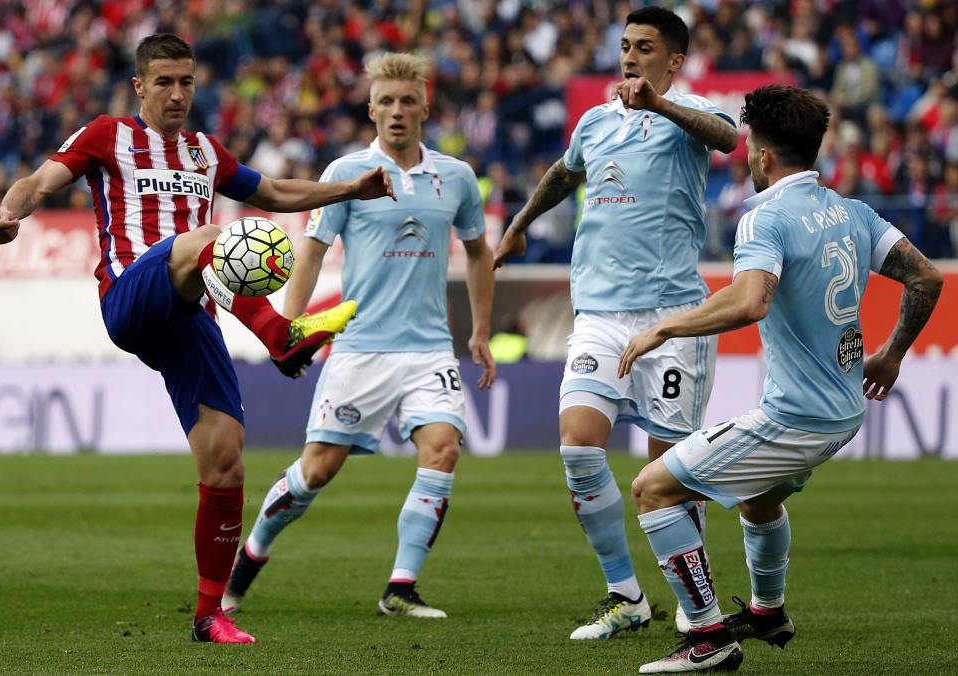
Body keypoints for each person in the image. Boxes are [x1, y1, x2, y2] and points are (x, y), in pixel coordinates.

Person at [0, 33, 395, 644]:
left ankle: (210, 615)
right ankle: (279, 335)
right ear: (140, 87)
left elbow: (278, 194)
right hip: (131, 295)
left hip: (190, 315)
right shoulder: (108, 135)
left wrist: (350, 189)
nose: (177, 94)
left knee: (226, 461)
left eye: (187, 82)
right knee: (209, 239)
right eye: (164, 82)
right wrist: (9, 212)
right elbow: (39, 181)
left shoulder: (206, 152)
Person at [620, 84, 943, 673]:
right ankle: (768, 612)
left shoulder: (764, 218)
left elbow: (750, 303)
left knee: (652, 490)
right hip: (844, 409)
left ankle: (708, 638)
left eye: (748, 147)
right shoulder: (852, 211)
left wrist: (665, 329)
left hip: (796, 418)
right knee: (758, 502)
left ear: (764, 155)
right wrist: (893, 355)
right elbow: (927, 279)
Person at [222, 53, 496, 619]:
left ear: (426, 106)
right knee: (317, 470)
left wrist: (482, 331)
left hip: (428, 350)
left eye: (407, 101)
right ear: (371, 109)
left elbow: (477, 252)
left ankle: (400, 587)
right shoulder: (346, 174)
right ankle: (251, 554)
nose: (397, 112)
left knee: (442, 450)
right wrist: (289, 332)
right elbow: (312, 253)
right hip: (359, 348)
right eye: (387, 102)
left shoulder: (458, 178)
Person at [493, 6, 738, 639]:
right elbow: (562, 172)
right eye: (625, 45)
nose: (629, 56)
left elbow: (729, 139)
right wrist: (519, 224)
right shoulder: (596, 120)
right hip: (599, 312)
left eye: (645, 47)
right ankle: (625, 595)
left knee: (669, 476)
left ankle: (694, 599)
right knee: (578, 446)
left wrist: (659, 104)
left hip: (673, 318)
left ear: (674, 61)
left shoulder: (691, 111)